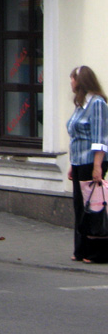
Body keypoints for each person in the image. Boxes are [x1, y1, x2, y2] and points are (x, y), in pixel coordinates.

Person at [67, 65, 108, 263]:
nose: (71, 83)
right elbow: (75, 136)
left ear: (81, 81)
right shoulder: (80, 103)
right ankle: (81, 249)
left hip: (92, 162)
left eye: (72, 79)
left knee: (93, 207)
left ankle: (96, 252)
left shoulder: (97, 103)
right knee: (80, 207)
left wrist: (97, 167)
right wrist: (71, 165)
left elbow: (100, 137)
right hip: (78, 162)